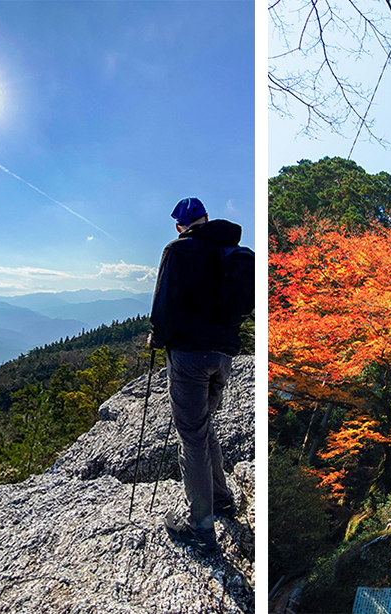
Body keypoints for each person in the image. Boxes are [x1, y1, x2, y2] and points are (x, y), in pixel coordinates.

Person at [149, 196, 246, 549]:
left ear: (179, 225)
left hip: (189, 357)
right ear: (206, 218)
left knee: (191, 438)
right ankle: (221, 499)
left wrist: (157, 339)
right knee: (205, 429)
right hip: (223, 356)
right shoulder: (229, 251)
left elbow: (162, 308)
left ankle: (201, 528)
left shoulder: (177, 251)